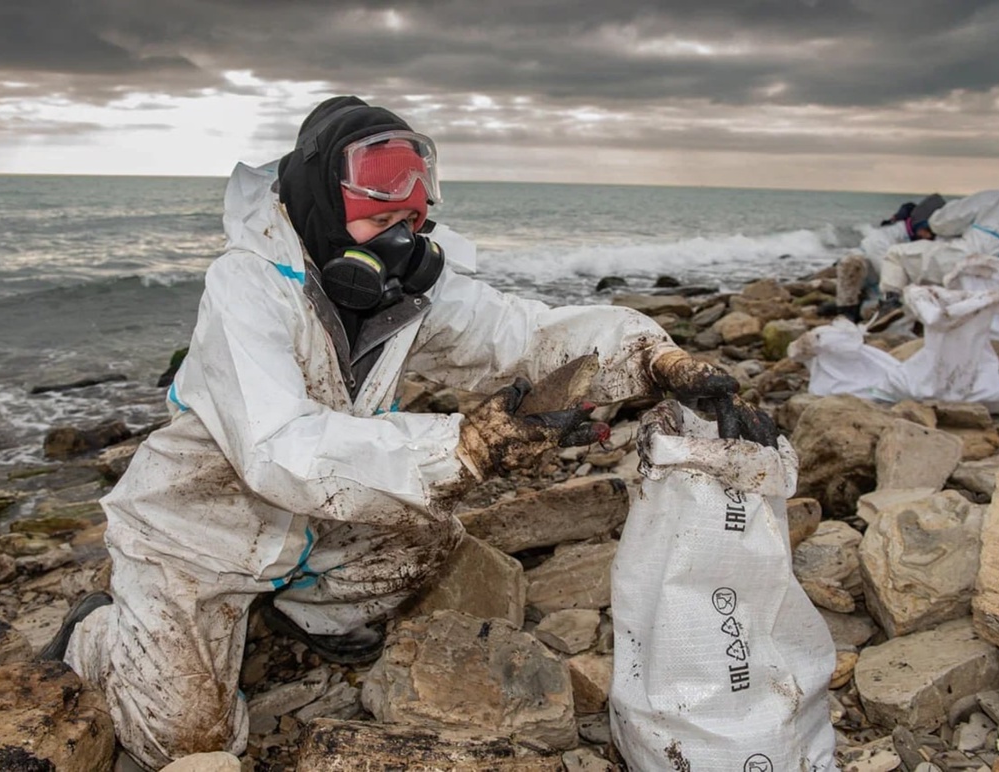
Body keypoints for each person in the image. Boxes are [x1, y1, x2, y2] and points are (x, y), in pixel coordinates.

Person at [42, 95, 776, 769]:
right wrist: (470, 445)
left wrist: (654, 358)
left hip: (309, 522)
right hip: (195, 535)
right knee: (187, 743)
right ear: (320, 201)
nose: (398, 240)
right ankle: (103, 632)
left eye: (410, 221)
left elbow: (523, 335)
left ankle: (306, 614)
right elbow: (280, 450)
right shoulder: (248, 284)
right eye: (378, 214)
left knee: (429, 541)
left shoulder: (408, 290)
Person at [876, 182, 999, 316]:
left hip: (962, 263)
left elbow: (940, 222)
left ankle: (892, 306)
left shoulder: (994, 198)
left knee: (896, 254)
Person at [824, 194, 944, 324]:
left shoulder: (931, 240)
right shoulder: (889, 233)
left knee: (875, 311)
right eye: (926, 229)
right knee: (850, 263)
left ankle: (857, 308)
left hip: (890, 288)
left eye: (932, 232)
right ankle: (846, 309)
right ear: (916, 224)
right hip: (873, 276)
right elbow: (886, 269)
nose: (928, 235)